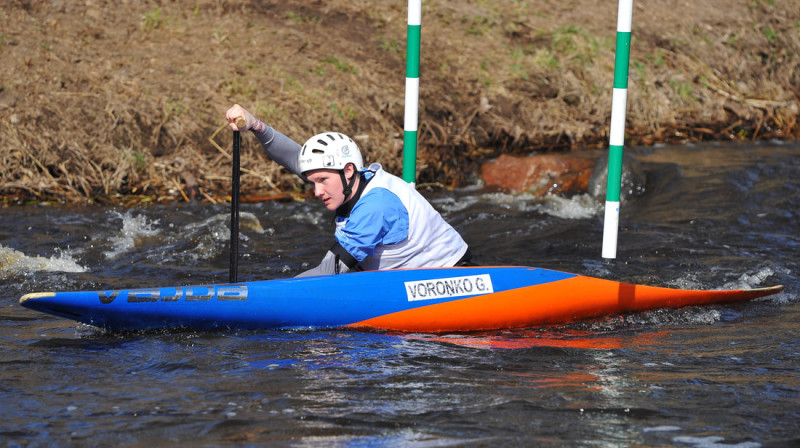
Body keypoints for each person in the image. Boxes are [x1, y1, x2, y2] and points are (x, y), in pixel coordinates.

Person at [225, 104, 472, 277]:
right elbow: (291, 156)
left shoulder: (376, 205)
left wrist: (265, 301)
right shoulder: (343, 180)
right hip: (402, 279)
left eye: (321, 180)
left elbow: (327, 272)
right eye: (312, 182)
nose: (316, 191)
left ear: (349, 171)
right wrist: (255, 124)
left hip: (451, 279)